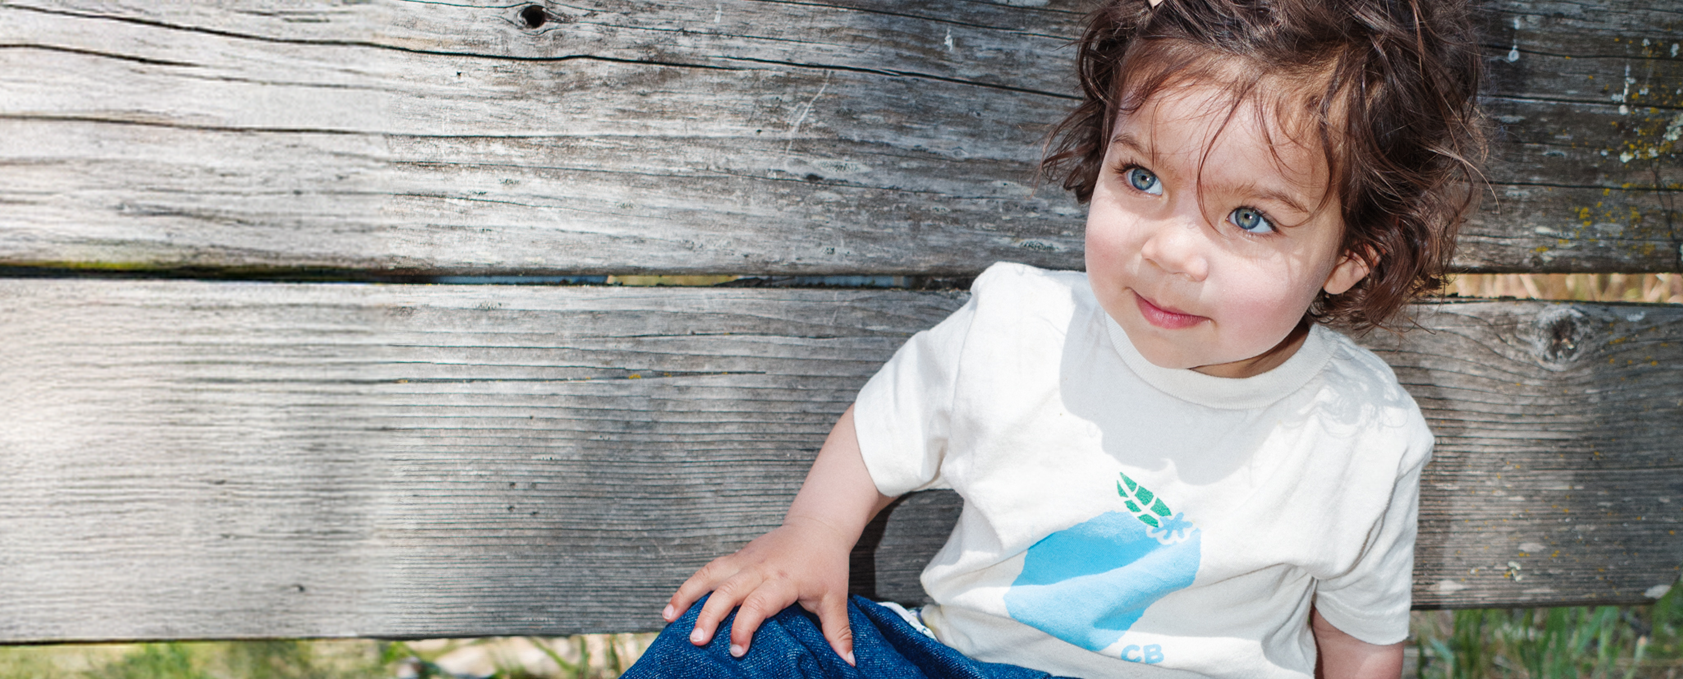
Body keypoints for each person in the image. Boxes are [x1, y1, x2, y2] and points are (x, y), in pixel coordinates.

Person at [622, 0, 1484, 676]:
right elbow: (883, 430)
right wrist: (814, 532)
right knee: (737, 646)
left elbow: (1361, 644)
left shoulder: (1363, 437)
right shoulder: (1019, 326)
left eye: (1250, 216)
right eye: (1141, 176)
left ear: (1352, 255)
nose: (1170, 250)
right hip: (961, 663)